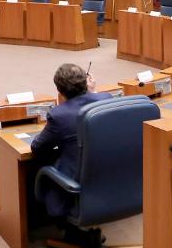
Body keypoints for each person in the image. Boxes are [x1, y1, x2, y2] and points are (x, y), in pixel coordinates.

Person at [29, 64, 112, 220]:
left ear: (59, 91)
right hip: (108, 179)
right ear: (86, 82)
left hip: (77, 186)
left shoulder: (59, 115)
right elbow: (94, 104)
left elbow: (37, 148)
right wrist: (92, 92)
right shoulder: (106, 99)